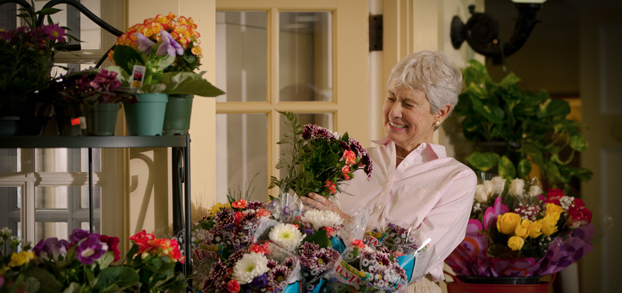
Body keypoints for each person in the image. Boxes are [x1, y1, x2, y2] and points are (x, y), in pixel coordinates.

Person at [300, 50, 477, 293]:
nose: (394, 111)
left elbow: (413, 257)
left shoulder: (457, 179)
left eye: (408, 104)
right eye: (391, 98)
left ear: (441, 113)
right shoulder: (352, 160)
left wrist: (343, 221)